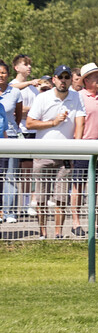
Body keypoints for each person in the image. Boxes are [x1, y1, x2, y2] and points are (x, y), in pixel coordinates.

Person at [26, 65, 86, 239]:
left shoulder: (76, 97)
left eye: (67, 77)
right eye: (61, 77)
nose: (63, 80)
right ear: (54, 79)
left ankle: (58, 233)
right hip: (43, 153)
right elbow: (30, 123)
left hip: (65, 154)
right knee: (42, 198)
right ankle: (43, 233)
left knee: (61, 198)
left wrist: (77, 146)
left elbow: (80, 121)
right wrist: (52, 123)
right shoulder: (43, 98)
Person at [74, 63, 98, 239]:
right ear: (86, 80)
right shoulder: (78, 96)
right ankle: (76, 222)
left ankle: (97, 223)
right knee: (78, 185)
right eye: (95, 76)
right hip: (83, 144)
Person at [11, 55, 40, 216]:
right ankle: (18, 205)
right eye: (25, 64)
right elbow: (15, 110)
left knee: (33, 170)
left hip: (34, 131)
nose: (29, 67)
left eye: (30, 64)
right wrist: (31, 110)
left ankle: (30, 203)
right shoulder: (13, 86)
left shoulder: (34, 89)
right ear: (16, 67)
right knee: (19, 171)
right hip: (20, 132)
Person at [0, 60, 23, 223]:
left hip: (11, 137)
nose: (1, 75)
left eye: (3, 72)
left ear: (8, 74)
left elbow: (18, 115)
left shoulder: (15, 92)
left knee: (11, 176)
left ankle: (10, 212)